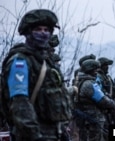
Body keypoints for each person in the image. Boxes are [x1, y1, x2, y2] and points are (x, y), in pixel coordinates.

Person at [0, 9, 72, 141]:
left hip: (53, 133)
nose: (43, 33)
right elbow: (20, 102)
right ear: (28, 32)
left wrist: (62, 131)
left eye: (46, 30)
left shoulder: (46, 61)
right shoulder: (21, 61)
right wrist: (34, 135)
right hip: (33, 135)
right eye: (38, 29)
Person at [73, 59, 115, 141]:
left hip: (87, 118)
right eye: (95, 69)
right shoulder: (89, 84)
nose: (96, 72)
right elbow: (102, 100)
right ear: (90, 70)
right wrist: (112, 104)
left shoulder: (81, 81)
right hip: (93, 118)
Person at [96, 57, 115, 141]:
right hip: (103, 110)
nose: (107, 67)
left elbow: (114, 93)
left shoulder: (107, 78)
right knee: (105, 133)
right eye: (105, 65)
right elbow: (100, 93)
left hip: (111, 108)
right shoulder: (98, 77)